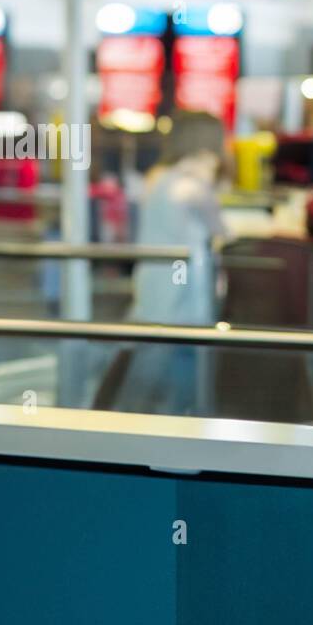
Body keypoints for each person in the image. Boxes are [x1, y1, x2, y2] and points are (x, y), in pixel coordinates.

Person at [112, 111, 229, 415]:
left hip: (155, 286)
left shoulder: (159, 177)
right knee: (180, 375)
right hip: (184, 297)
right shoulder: (193, 184)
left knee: (147, 372)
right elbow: (222, 231)